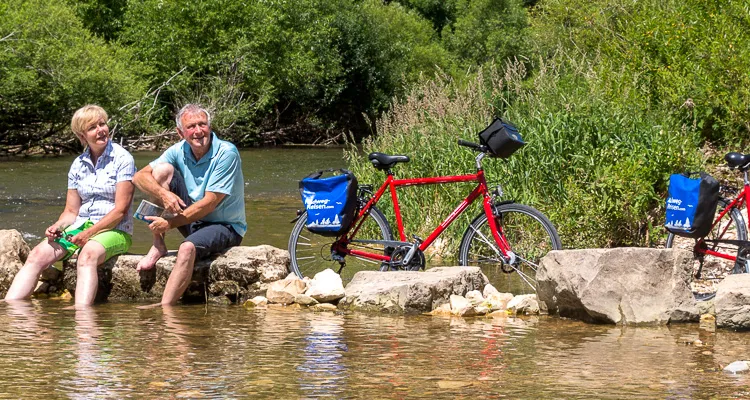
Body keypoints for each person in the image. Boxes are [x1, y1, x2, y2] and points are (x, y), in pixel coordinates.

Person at [4, 105, 135, 308]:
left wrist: (89, 233)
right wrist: (58, 226)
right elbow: (71, 211)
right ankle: (11, 312)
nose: (101, 129)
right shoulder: (78, 164)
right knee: (37, 255)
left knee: (87, 255)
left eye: (103, 124)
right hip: (80, 226)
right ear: (82, 136)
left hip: (115, 229)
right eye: (93, 127)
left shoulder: (123, 159)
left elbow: (121, 210)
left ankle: (83, 317)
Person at [133, 104, 246, 307]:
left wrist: (169, 223)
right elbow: (139, 177)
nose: (198, 131)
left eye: (202, 124)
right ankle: (157, 244)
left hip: (225, 226)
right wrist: (164, 195)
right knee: (161, 172)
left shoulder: (226, 152)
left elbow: (210, 203)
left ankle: (164, 307)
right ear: (180, 132)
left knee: (186, 248)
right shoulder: (179, 150)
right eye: (191, 126)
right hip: (193, 219)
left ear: (209, 127)